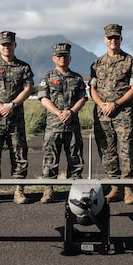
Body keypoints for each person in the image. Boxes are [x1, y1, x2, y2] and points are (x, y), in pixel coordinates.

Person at [0, 31, 35, 204]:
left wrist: (12, 105)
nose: (6, 47)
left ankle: (19, 191)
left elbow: (28, 88)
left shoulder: (23, 67)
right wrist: (0, 106)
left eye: (9, 44)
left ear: (14, 45)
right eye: (3, 44)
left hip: (16, 117)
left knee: (19, 153)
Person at [89, 23, 133, 204]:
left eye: (116, 38)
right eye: (110, 37)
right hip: (102, 113)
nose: (113, 40)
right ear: (105, 40)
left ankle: (128, 188)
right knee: (107, 150)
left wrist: (116, 104)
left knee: (126, 150)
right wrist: (101, 104)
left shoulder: (131, 62)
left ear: (121, 39)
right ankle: (114, 186)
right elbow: (92, 88)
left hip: (122, 113)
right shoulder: (97, 63)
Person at [38, 42, 88, 203]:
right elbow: (43, 98)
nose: (62, 58)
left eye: (65, 55)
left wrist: (71, 112)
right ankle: (48, 190)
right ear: (54, 58)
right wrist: (58, 112)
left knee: (75, 159)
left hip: (72, 125)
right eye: (59, 55)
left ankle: (76, 190)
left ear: (70, 58)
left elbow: (83, 98)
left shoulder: (77, 78)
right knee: (50, 159)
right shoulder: (47, 77)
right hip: (54, 125)